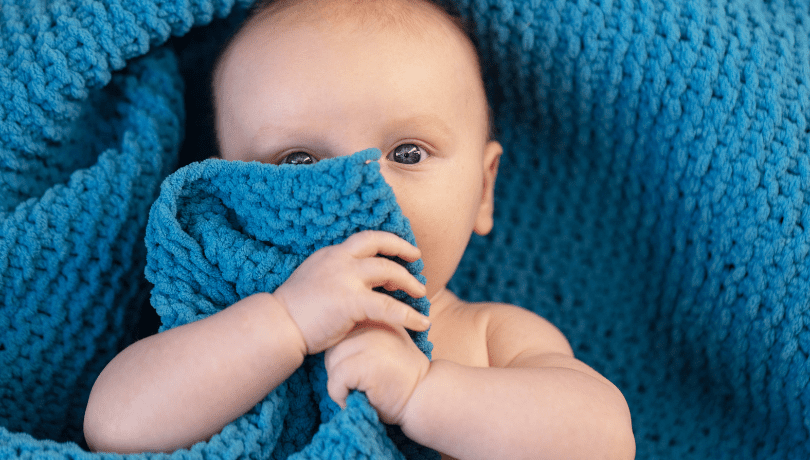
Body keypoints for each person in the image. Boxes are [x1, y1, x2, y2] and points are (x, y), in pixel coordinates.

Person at [83, 0, 636, 458]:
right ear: (233, 195)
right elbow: (114, 426)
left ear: (483, 190)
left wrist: (423, 393)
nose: (359, 191)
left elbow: (604, 440)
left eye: (408, 152)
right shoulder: (226, 327)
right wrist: (285, 323)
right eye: (298, 162)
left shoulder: (491, 335)